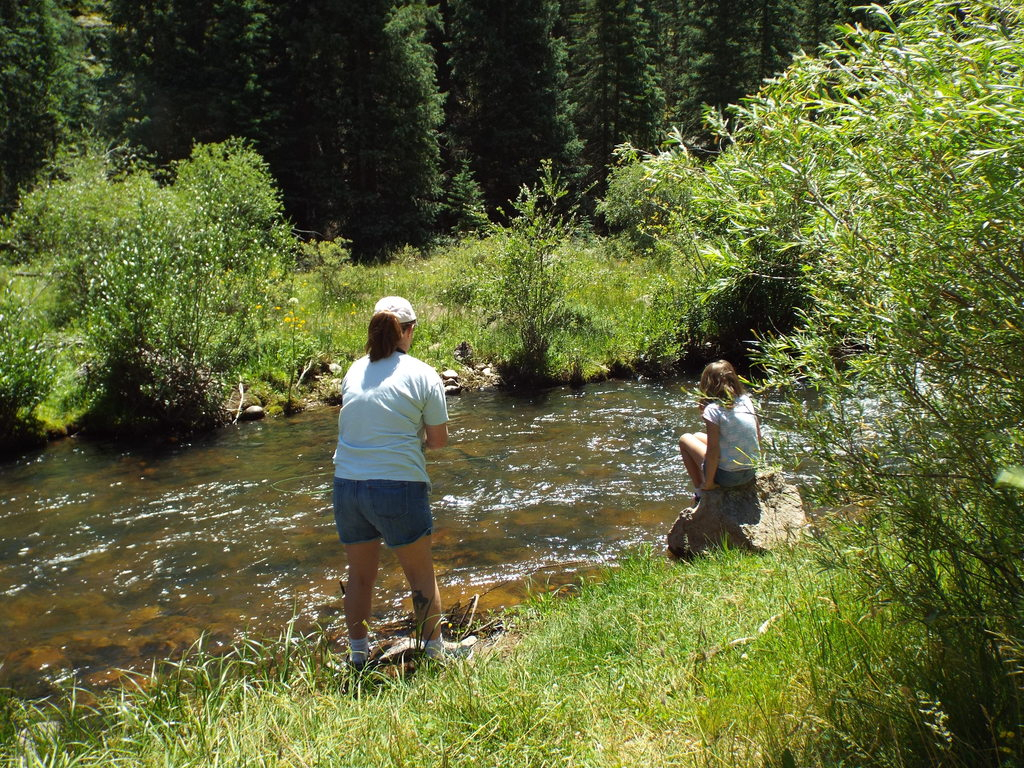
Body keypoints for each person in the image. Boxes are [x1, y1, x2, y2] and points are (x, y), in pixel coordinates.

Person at [332, 296, 462, 667]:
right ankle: (435, 655)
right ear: (408, 331)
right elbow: (437, 442)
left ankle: (358, 656)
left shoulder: (354, 370)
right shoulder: (423, 373)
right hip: (398, 486)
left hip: (347, 486)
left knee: (359, 576)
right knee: (421, 575)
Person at [677, 360, 761, 502]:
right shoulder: (746, 400)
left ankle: (700, 492)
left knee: (685, 439)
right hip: (750, 471)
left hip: (728, 477)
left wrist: (709, 483)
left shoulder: (713, 410)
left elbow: (713, 452)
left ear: (707, 384)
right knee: (697, 436)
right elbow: (758, 436)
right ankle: (705, 483)